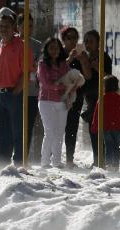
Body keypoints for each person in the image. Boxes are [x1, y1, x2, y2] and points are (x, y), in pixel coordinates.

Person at [0, 14, 27, 165]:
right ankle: (1, 165)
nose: (3, 29)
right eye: (1, 26)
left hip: (13, 94)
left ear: (14, 28)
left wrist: (17, 90)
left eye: (7, 26)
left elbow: (26, 71)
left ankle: (18, 164)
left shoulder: (21, 46)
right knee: (1, 133)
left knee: (17, 132)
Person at [80, 29, 112, 167]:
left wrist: (97, 67)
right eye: (86, 41)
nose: (88, 44)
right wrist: (85, 63)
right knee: (93, 129)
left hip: (102, 95)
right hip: (90, 96)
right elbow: (87, 77)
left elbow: (108, 77)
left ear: (98, 43)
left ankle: (102, 159)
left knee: (98, 128)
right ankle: (97, 158)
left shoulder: (104, 57)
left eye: (91, 41)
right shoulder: (85, 57)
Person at [37, 37, 71, 169]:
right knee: (50, 131)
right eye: (51, 47)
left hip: (62, 101)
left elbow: (70, 81)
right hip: (46, 101)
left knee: (60, 132)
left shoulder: (64, 65)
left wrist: (67, 93)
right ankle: (45, 161)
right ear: (46, 49)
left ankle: (56, 161)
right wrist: (61, 86)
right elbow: (46, 84)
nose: (54, 50)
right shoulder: (42, 64)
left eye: (57, 48)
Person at [61, 26, 89, 168]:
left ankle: (69, 159)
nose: (72, 41)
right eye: (69, 38)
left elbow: (87, 76)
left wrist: (83, 61)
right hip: (59, 97)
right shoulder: (58, 54)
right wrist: (69, 58)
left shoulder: (81, 56)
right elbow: (56, 73)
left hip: (76, 97)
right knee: (58, 127)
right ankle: (54, 157)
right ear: (63, 40)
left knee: (72, 127)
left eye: (74, 38)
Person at [17, 13, 43, 163]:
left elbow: (37, 66)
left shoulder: (37, 45)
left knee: (28, 127)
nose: (28, 29)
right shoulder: (12, 43)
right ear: (18, 27)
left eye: (31, 26)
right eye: (25, 26)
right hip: (15, 90)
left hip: (32, 91)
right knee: (15, 126)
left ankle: (24, 159)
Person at [91, 75, 120, 171]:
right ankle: (116, 165)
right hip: (117, 126)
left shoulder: (102, 99)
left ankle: (109, 164)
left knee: (108, 145)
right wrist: (118, 119)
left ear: (105, 87)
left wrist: (94, 126)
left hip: (106, 126)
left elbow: (97, 114)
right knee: (116, 146)